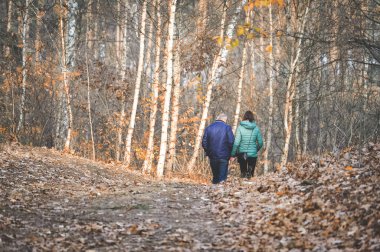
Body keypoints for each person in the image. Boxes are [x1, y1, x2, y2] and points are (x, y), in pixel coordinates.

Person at [202, 113, 234, 184]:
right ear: (224, 120)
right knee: (222, 178)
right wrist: (232, 154)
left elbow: (204, 142)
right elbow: (231, 142)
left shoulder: (209, 128)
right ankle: (219, 193)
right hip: (224, 156)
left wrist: (209, 151)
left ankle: (213, 193)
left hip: (212, 155)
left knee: (215, 176)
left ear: (217, 118)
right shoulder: (227, 127)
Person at [230, 111, 263, 179]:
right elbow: (260, 143)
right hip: (252, 154)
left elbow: (236, 143)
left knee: (243, 173)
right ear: (252, 117)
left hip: (242, 154)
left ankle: (243, 183)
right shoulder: (256, 128)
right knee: (250, 175)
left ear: (244, 117)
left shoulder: (240, 127)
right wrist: (255, 149)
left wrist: (232, 154)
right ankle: (249, 182)